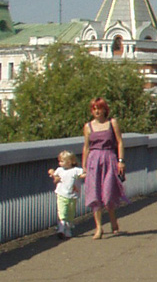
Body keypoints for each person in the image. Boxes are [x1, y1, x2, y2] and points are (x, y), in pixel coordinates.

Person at [82, 97, 127, 239]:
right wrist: (84, 166)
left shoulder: (112, 123)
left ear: (104, 110)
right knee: (94, 194)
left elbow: (119, 141)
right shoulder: (88, 126)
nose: (97, 111)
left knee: (108, 194)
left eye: (99, 108)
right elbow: (86, 147)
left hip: (109, 158)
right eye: (94, 109)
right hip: (94, 160)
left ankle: (113, 220)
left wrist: (121, 161)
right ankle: (99, 227)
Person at [48, 150, 84, 239]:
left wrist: (84, 175)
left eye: (62, 161)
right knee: (62, 212)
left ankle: (68, 228)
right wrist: (53, 174)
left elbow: (84, 174)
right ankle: (61, 227)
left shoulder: (76, 170)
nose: (60, 163)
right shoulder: (59, 170)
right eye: (59, 161)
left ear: (70, 162)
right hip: (61, 194)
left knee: (70, 213)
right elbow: (52, 173)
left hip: (73, 196)